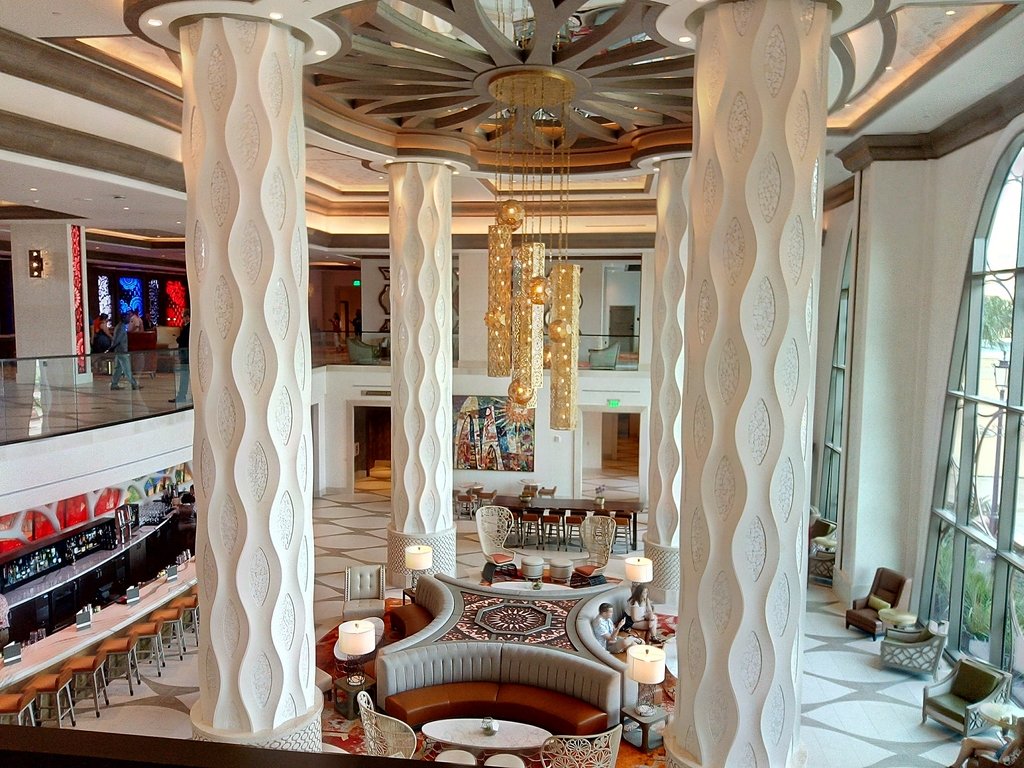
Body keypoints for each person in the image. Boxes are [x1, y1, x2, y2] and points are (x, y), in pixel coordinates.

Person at [948, 717, 1024, 767]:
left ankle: (955, 766)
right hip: (1005, 746)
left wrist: (1012, 743)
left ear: (1021, 732)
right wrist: (1011, 742)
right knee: (967, 741)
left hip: (1001, 755)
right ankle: (956, 765)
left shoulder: (1020, 754)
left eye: (1017, 726)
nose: (1014, 728)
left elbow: (1002, 762)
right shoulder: (1019, 740)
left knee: (970, 749)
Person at [109, 313, 140, 391]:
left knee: (118, 369)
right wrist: (112, 347)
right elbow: (117, 340)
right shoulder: (121, 327)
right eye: (128, 318)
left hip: (119, 351)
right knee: (127, 369)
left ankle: (114, 384)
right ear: (123, 318)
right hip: (122, 351)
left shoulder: (121, 326)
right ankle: (134, 384)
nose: (129, 319)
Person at [169, 308, 191, 405]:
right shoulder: (189, 327)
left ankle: (181, 395)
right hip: (187, 353)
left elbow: (182, 340)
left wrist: (178, 339)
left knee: (184, 376)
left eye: (184, 317)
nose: (183, 319)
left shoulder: (187, 327)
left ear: (187, 317)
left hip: (185, 354)